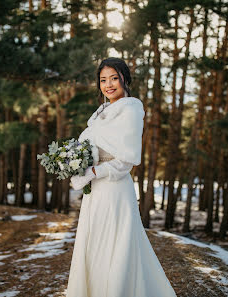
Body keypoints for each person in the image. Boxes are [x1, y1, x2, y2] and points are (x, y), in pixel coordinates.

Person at [66, 57, 177, 297]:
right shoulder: (101, 112)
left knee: (114, 246)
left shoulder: (131, 109)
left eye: (114, 78)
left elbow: (127, 159)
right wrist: (73, 163)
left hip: (114, 188)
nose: (108, 85)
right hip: (94, 190)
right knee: (94, 244)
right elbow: (90, 145)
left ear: (124, 79)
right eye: (103, 80)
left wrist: (93, 171)